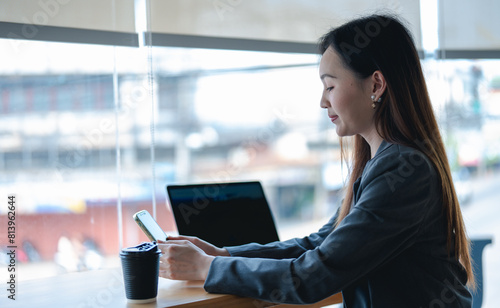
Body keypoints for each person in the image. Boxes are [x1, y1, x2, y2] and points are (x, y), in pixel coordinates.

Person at [158, 14, 474, 307]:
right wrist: (222, 254)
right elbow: (322, 243)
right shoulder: (383, 163)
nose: (323, 101)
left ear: (376, 85)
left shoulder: (404, 170)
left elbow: (314, 275)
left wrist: (207, 267)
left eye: (330, 86)